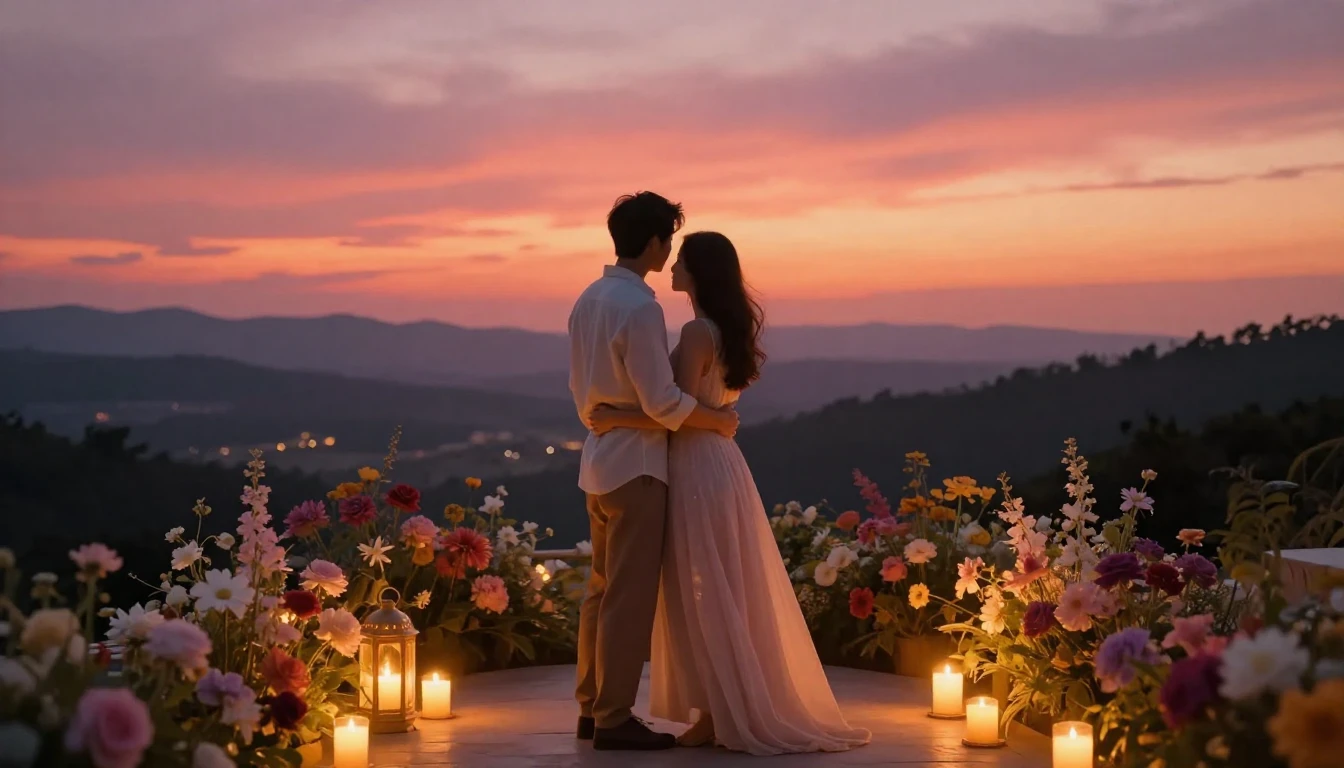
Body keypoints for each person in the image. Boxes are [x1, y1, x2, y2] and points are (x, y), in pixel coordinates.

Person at [588, 231, 872, 755]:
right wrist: (718, 419)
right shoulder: (721, 329)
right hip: (720, 468)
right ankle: (717, 707)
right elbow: (693, 410)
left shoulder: (697, 331)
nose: (671, 266)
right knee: (718, 586)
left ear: (697, 272)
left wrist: (611, 417)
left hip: (696, 467)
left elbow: (673, 412)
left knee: (703, 590)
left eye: (682, 261)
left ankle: (720, 710)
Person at [568, 192, 740, 751]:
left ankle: (592, 709)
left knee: (599, 590)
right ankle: (615, 718)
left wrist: (612, 414)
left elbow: (586, 396)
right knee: (628, 596)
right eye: (668, 241)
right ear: (652, 243)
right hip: (639, 466)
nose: (669, 252)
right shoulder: (640, 308)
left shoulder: (588, 300)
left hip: (598, 462)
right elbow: (665, 403)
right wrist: (715, 419)